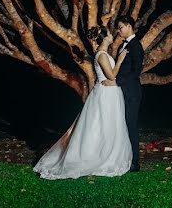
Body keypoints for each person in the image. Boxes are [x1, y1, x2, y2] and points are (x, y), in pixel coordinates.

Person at [32, 25, 132, 179]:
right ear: (105, 37)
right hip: (105, 94)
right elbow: (111, 76)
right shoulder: (102, 55)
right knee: (101, 125)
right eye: (110, 34)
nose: (113, 35)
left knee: (109, 125)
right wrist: (120, 60)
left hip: (110, 93)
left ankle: (106, 153)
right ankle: (97, 157)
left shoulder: (104, 53)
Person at [103, 15, 144, 172]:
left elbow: (136, 72)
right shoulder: (124, 45)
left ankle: (135, 162)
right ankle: (124, 157)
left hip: (132, 93)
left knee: (131, 125)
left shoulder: (136, 46)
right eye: (118, 28)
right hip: (122, 91)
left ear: (129, 26)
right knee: (123, 125)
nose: (118, 31)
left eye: (120, 27)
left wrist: (116, 82)